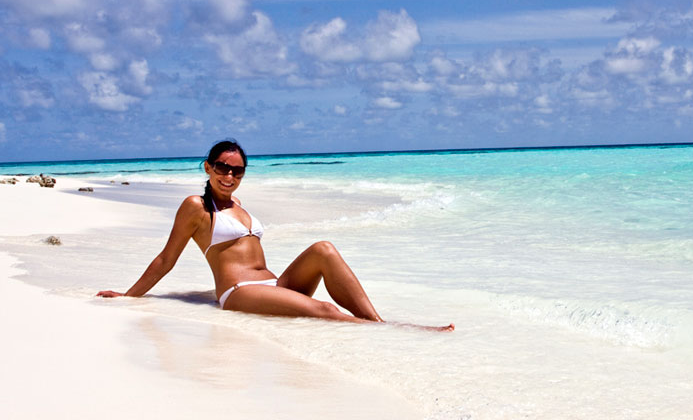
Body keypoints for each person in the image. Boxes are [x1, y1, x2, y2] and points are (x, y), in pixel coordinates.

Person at [97, 140, 453, 331]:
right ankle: (394, 335)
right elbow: (166, 258)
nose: (230, 175)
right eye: (222, 167)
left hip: (276, 285)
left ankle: (379, 324)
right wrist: (128, 296)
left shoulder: (239, 204)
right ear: (208, 167)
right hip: (239, 293)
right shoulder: (196, 206)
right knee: (325, 310)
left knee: (324, 249)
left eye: (237, 170)